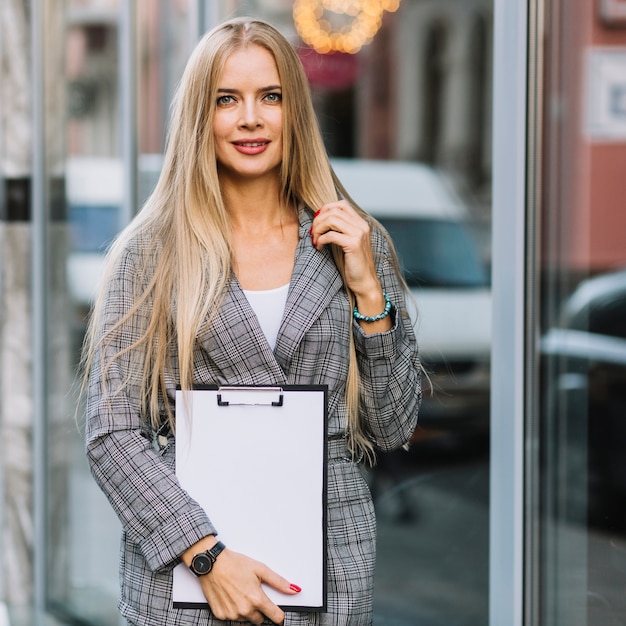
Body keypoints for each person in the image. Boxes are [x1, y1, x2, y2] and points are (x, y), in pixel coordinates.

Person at [82, 15, 421, 626]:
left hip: (327, 573)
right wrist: (208, 556)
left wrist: (369, 290)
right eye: (226, 100)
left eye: (271, 97)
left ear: (295, 112)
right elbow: (113, 433)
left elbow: (394, 424)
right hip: (187, 578)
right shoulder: (150, 253)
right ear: (199, 117)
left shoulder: (348, 242)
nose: (250, 119)